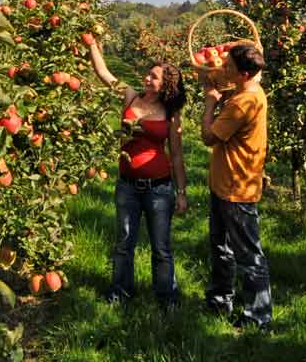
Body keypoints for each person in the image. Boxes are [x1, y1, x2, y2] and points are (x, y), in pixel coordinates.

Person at [85, 37, 188, 310]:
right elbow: (104, 74)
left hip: (159, 188)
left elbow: (176, 155)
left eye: (153, 76)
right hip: (127, 185)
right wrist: (92, 44)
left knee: (161, 247)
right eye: (148, 74)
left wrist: (181, 192)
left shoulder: (171, 113)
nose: (146, 78)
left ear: (165, 84)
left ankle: (167, 297)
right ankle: (120, 292)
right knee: (124, 242)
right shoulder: (131, 96)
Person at [199, 40, 274, 333]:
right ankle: (219, 301)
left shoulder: (244, 102)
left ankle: (258, 317)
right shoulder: (248, 91)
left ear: (244, 74)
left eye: (228, 66)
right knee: (221, 247)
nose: (223, 68)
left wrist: (210, 102)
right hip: (225, 185)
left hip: (236, 189)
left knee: (248, 254)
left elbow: (208, 137)